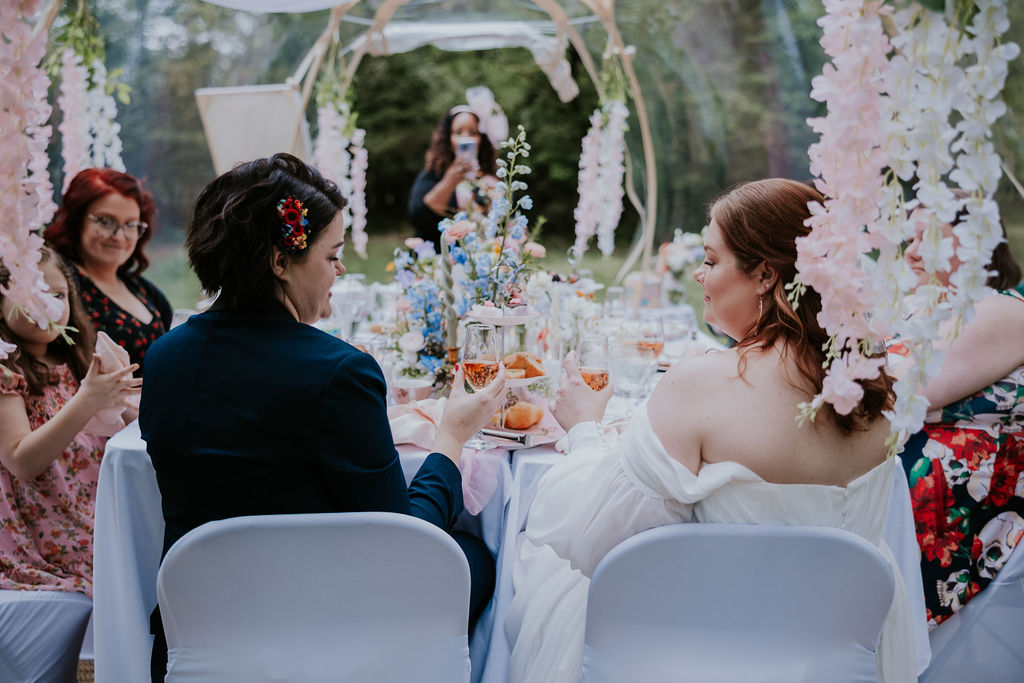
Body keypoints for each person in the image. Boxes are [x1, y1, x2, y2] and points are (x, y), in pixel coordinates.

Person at [506, 178, 918, 682]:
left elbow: (592, 540)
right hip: (832, 657)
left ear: (765, 275)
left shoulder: (701, 384)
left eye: (711, 260)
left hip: (698, 655)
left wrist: (587, 431)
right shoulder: (875, 391)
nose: (699, 275)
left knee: (541, 564)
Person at [139, 153, 506, 681]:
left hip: (202, 635)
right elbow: (405, 541)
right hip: (332, 635)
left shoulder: (165, 357)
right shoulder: (339, 373)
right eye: (332, 256)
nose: (340, 271)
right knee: (477, 556)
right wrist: (452, 435)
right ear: (279, 261)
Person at [887, 203, 1024, 629]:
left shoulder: (1002, 311)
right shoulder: (917, 311)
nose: (910, 254)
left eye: (926, 240)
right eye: (908, 240)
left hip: (962, 506)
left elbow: (903, 390)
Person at [0, 246, 141, 598]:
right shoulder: (6, 373)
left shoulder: (79, 360)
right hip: (41, 523)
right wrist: (87, 399)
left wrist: (123, 399)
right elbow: (21, 460)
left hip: (92, 509)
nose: (48, 306)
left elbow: (126, 422)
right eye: (31, 295)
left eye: (58, 294)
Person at [44, 168, 172, 370]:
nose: (119, 236)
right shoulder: (61, 284)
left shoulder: (140, 287)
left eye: (130, 225)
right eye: (106, 221)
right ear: (77, 221)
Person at [408, 90, 504, 241]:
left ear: (482, 138)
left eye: (473, 132)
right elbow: (419, 215)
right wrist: (451, 178)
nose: (466, 138)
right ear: (448, 138)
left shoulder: (494, 176)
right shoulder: (434, 174)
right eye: (458, 132)